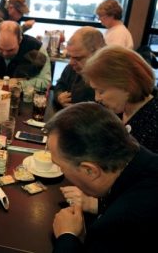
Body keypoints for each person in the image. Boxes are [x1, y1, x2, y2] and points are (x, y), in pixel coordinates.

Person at [47, 102, 158, 252]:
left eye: (60, 166)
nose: (61, 170)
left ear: (90, 171)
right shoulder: (144, 159)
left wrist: (67, 235)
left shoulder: (120, 225)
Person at [82, 45, 157, 153]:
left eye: (101, 91)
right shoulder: (115, 111)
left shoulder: (153, 119)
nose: (96, 98)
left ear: (127, 85)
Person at [53, 27, 105, 109]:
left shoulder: (107, 78)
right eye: (70, 56)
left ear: (97, 53)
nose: (71, 62)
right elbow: (60, 85)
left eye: (78, 58)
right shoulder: (72, 68)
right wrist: (59, 96)